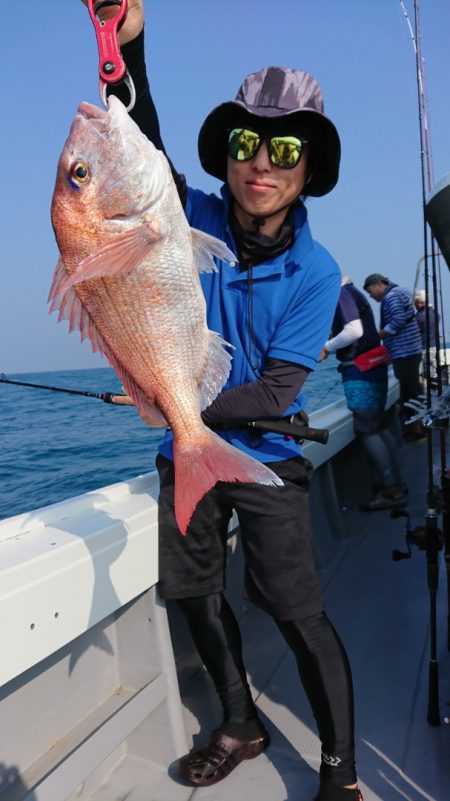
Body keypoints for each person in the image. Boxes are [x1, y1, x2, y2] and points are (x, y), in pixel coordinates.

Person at [86, 3, 363, 799]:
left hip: (266, 448)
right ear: (229, 157)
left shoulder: (316, 272)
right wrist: (126, 47)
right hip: (186, 447)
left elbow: (280, 388)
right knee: (195, 595)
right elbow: (139, 154)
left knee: (296, 611)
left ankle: (340, 768)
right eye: (246, 144)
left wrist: (179, 409)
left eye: (285, 148)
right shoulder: (183, 217)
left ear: (309, 167)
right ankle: (240, 722)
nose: (261, 163)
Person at [320, 278, 407, 510]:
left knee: (367, 429)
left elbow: (353, 330)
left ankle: (392, 490)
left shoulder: (340, 293)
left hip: (360, 371)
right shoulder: (352, 292)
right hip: (372, 367)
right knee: (377, 425)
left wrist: (327, 347)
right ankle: (395, 481)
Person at [363, 273, 425, 441]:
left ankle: (417, 429)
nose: (370, 295)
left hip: (405, 352)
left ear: (378, 284)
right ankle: (419, 425)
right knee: (413, 389)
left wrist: (381, 334)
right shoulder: (400, 292)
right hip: (409, 350)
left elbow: (398, 320)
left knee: (410, 392)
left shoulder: (391, 297)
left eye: (370, 291)